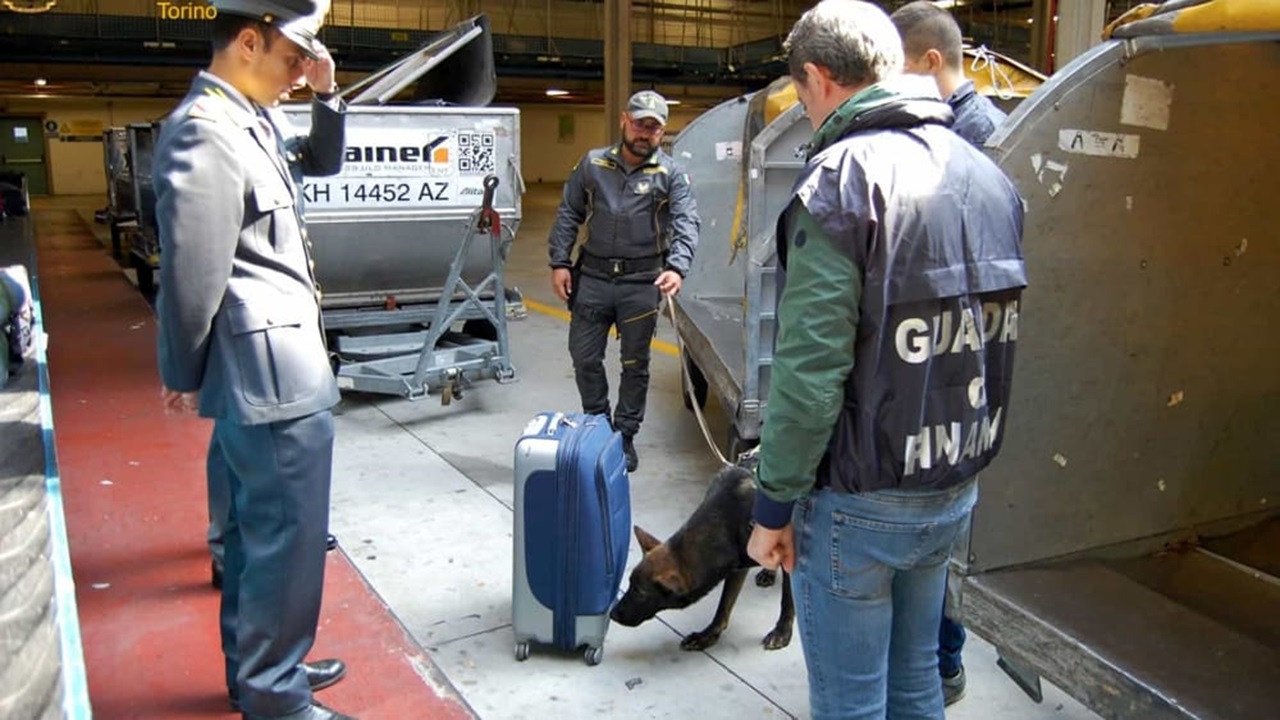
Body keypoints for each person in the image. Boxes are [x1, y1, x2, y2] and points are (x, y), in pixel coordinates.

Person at [744, 2, 1026, 718]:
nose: (806, 113)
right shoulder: (987, 174)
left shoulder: (840, 182)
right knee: (917, 686)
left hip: (859, 498)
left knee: (852, 703)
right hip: (952, 484)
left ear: (817, 78)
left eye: (802, 97)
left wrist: (772, 505)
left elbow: (809, 374)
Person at [153, 2, 355, 718]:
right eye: (293, 59)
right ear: (247, 41)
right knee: (286, 544)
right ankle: (275, 696)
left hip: (274, 369)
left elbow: (322, 161)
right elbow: (191, 270)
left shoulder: (250, 120)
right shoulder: (206, 132)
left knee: (251, 535)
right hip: (269, 379)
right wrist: (183, 371)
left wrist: (329, 94)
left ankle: (260, 672)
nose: (300, 75)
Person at [890, 1, 1012, 705]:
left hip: (958, 361)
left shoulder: (978, 135)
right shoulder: (956, 131)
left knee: (947, 544)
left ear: (930, 61)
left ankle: (944, 663)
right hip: (940, 356)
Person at [547, 90, 700, 472]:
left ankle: (625, 437)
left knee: (635, 364)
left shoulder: (671, 174)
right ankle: (597, 424)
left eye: (653, 127)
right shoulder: (593, 164)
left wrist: (677, 267)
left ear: (661, 131)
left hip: (641, 283)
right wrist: (560, 261)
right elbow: (569, 212)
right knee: (584, 357)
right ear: (623, 120)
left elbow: (687, 223)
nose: (644, 133)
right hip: (594, 278)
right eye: (639, 123)